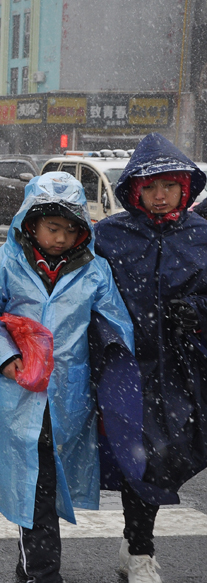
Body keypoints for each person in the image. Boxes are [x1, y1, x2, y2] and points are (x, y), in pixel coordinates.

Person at [0, 172, 133, 583]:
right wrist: (5, 356)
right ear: (30, 222)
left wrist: (109, 365)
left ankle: (30, 566)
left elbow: (116, 323)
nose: (60, 238)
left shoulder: (94, 271)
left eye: (70, 230)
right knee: (33, 484)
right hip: (21, 395)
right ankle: (42, 572)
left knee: (48, 482)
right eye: (52, 228)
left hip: (70, 398)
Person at [93, 133, 207, 583]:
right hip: (128, 369)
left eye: (169, 186)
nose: (160, 197)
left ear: (184, 187)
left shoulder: (202, 237)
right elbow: (83, 293)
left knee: (177, 454)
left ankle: (133, 536)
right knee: (143, 458)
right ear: (134, 191)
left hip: (188, 368)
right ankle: (140, 551)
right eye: (150, 187)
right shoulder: (109, 236)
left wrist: (197, 312)